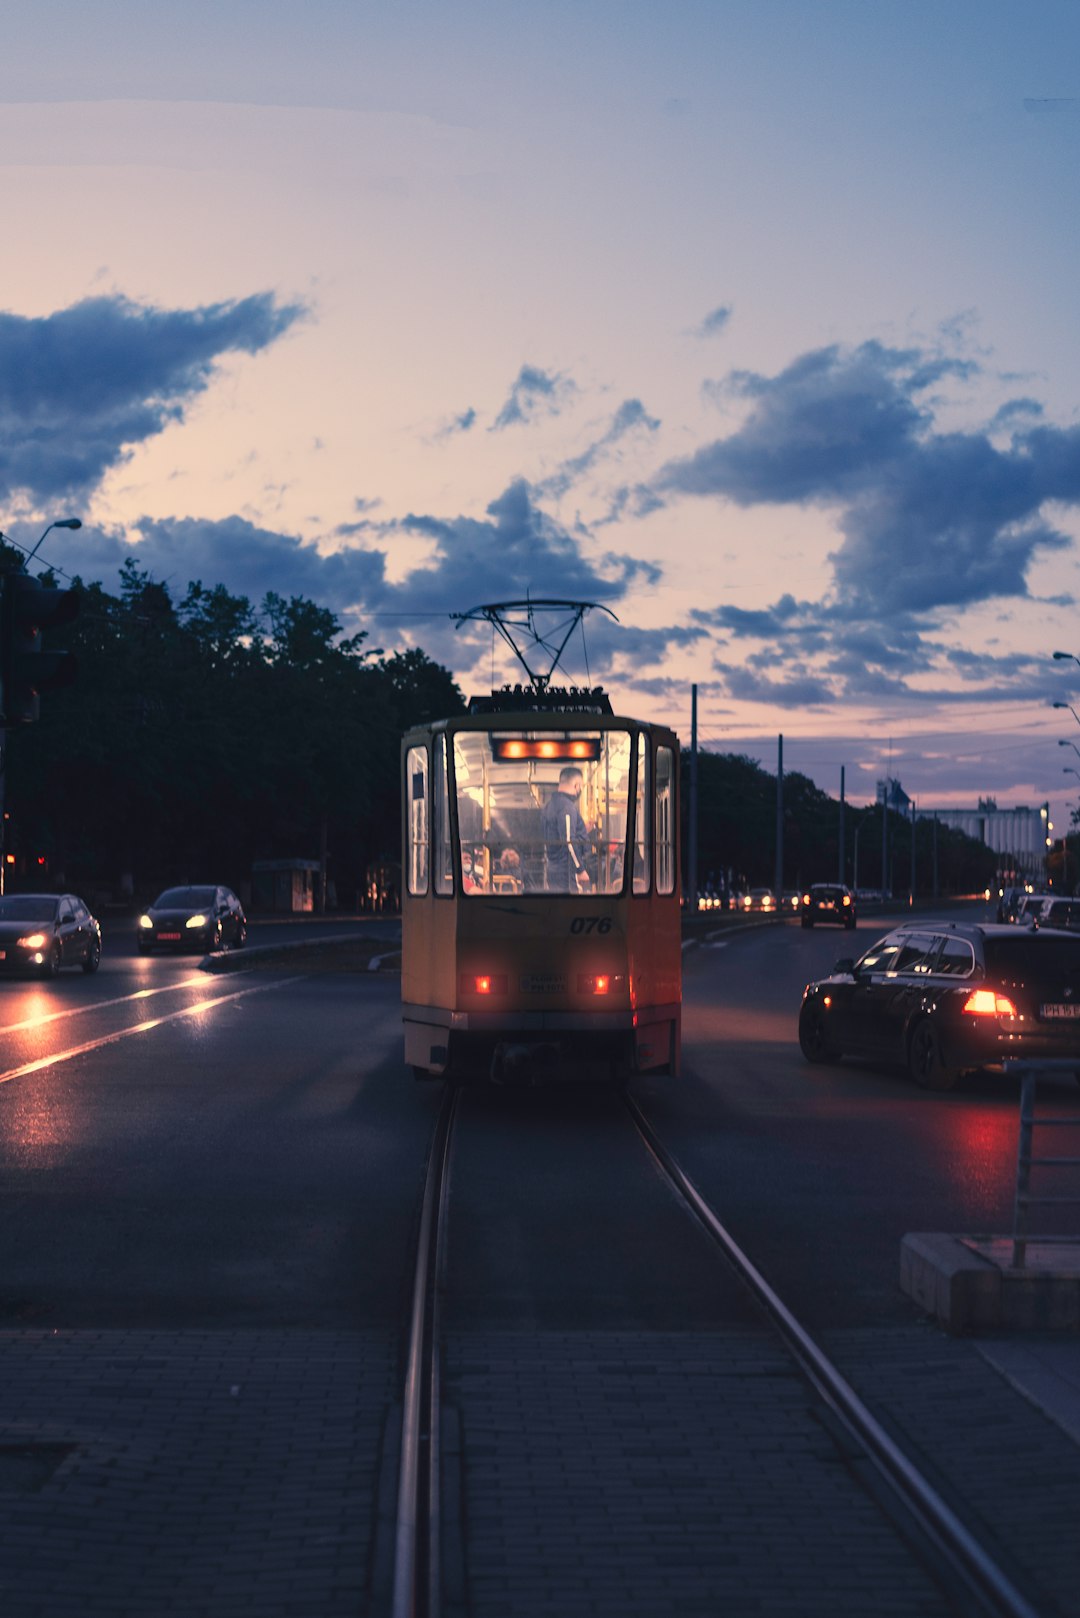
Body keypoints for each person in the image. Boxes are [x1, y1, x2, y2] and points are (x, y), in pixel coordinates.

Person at [541, 766, 592, 891]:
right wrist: (580, 869)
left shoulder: (548, 806)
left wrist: (582, 830)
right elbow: (568, 841)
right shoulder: (567, 807)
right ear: (577, 785)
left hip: (552, 867)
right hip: (566, 870)